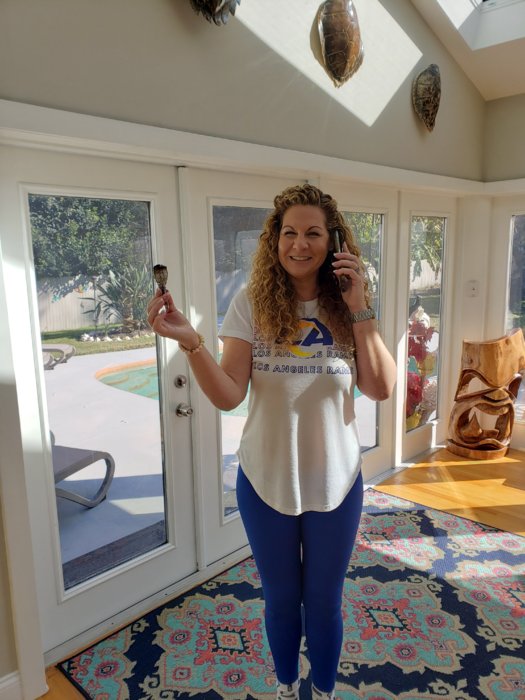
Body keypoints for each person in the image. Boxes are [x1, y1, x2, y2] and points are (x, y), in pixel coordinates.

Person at [147, 183, 397, 700]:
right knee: (281, 601)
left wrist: (360, 307)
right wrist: (191, 343)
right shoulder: (251, 304)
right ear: (274, 240)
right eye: (289, 232)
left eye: (313, 233)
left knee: (324, 602)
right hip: (264, 482)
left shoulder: (352, 305)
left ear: (334, 241)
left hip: (336, 484)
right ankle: (287, 687)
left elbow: (381, 388)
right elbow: (228, 394)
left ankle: (322, 692)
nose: (299, 244)